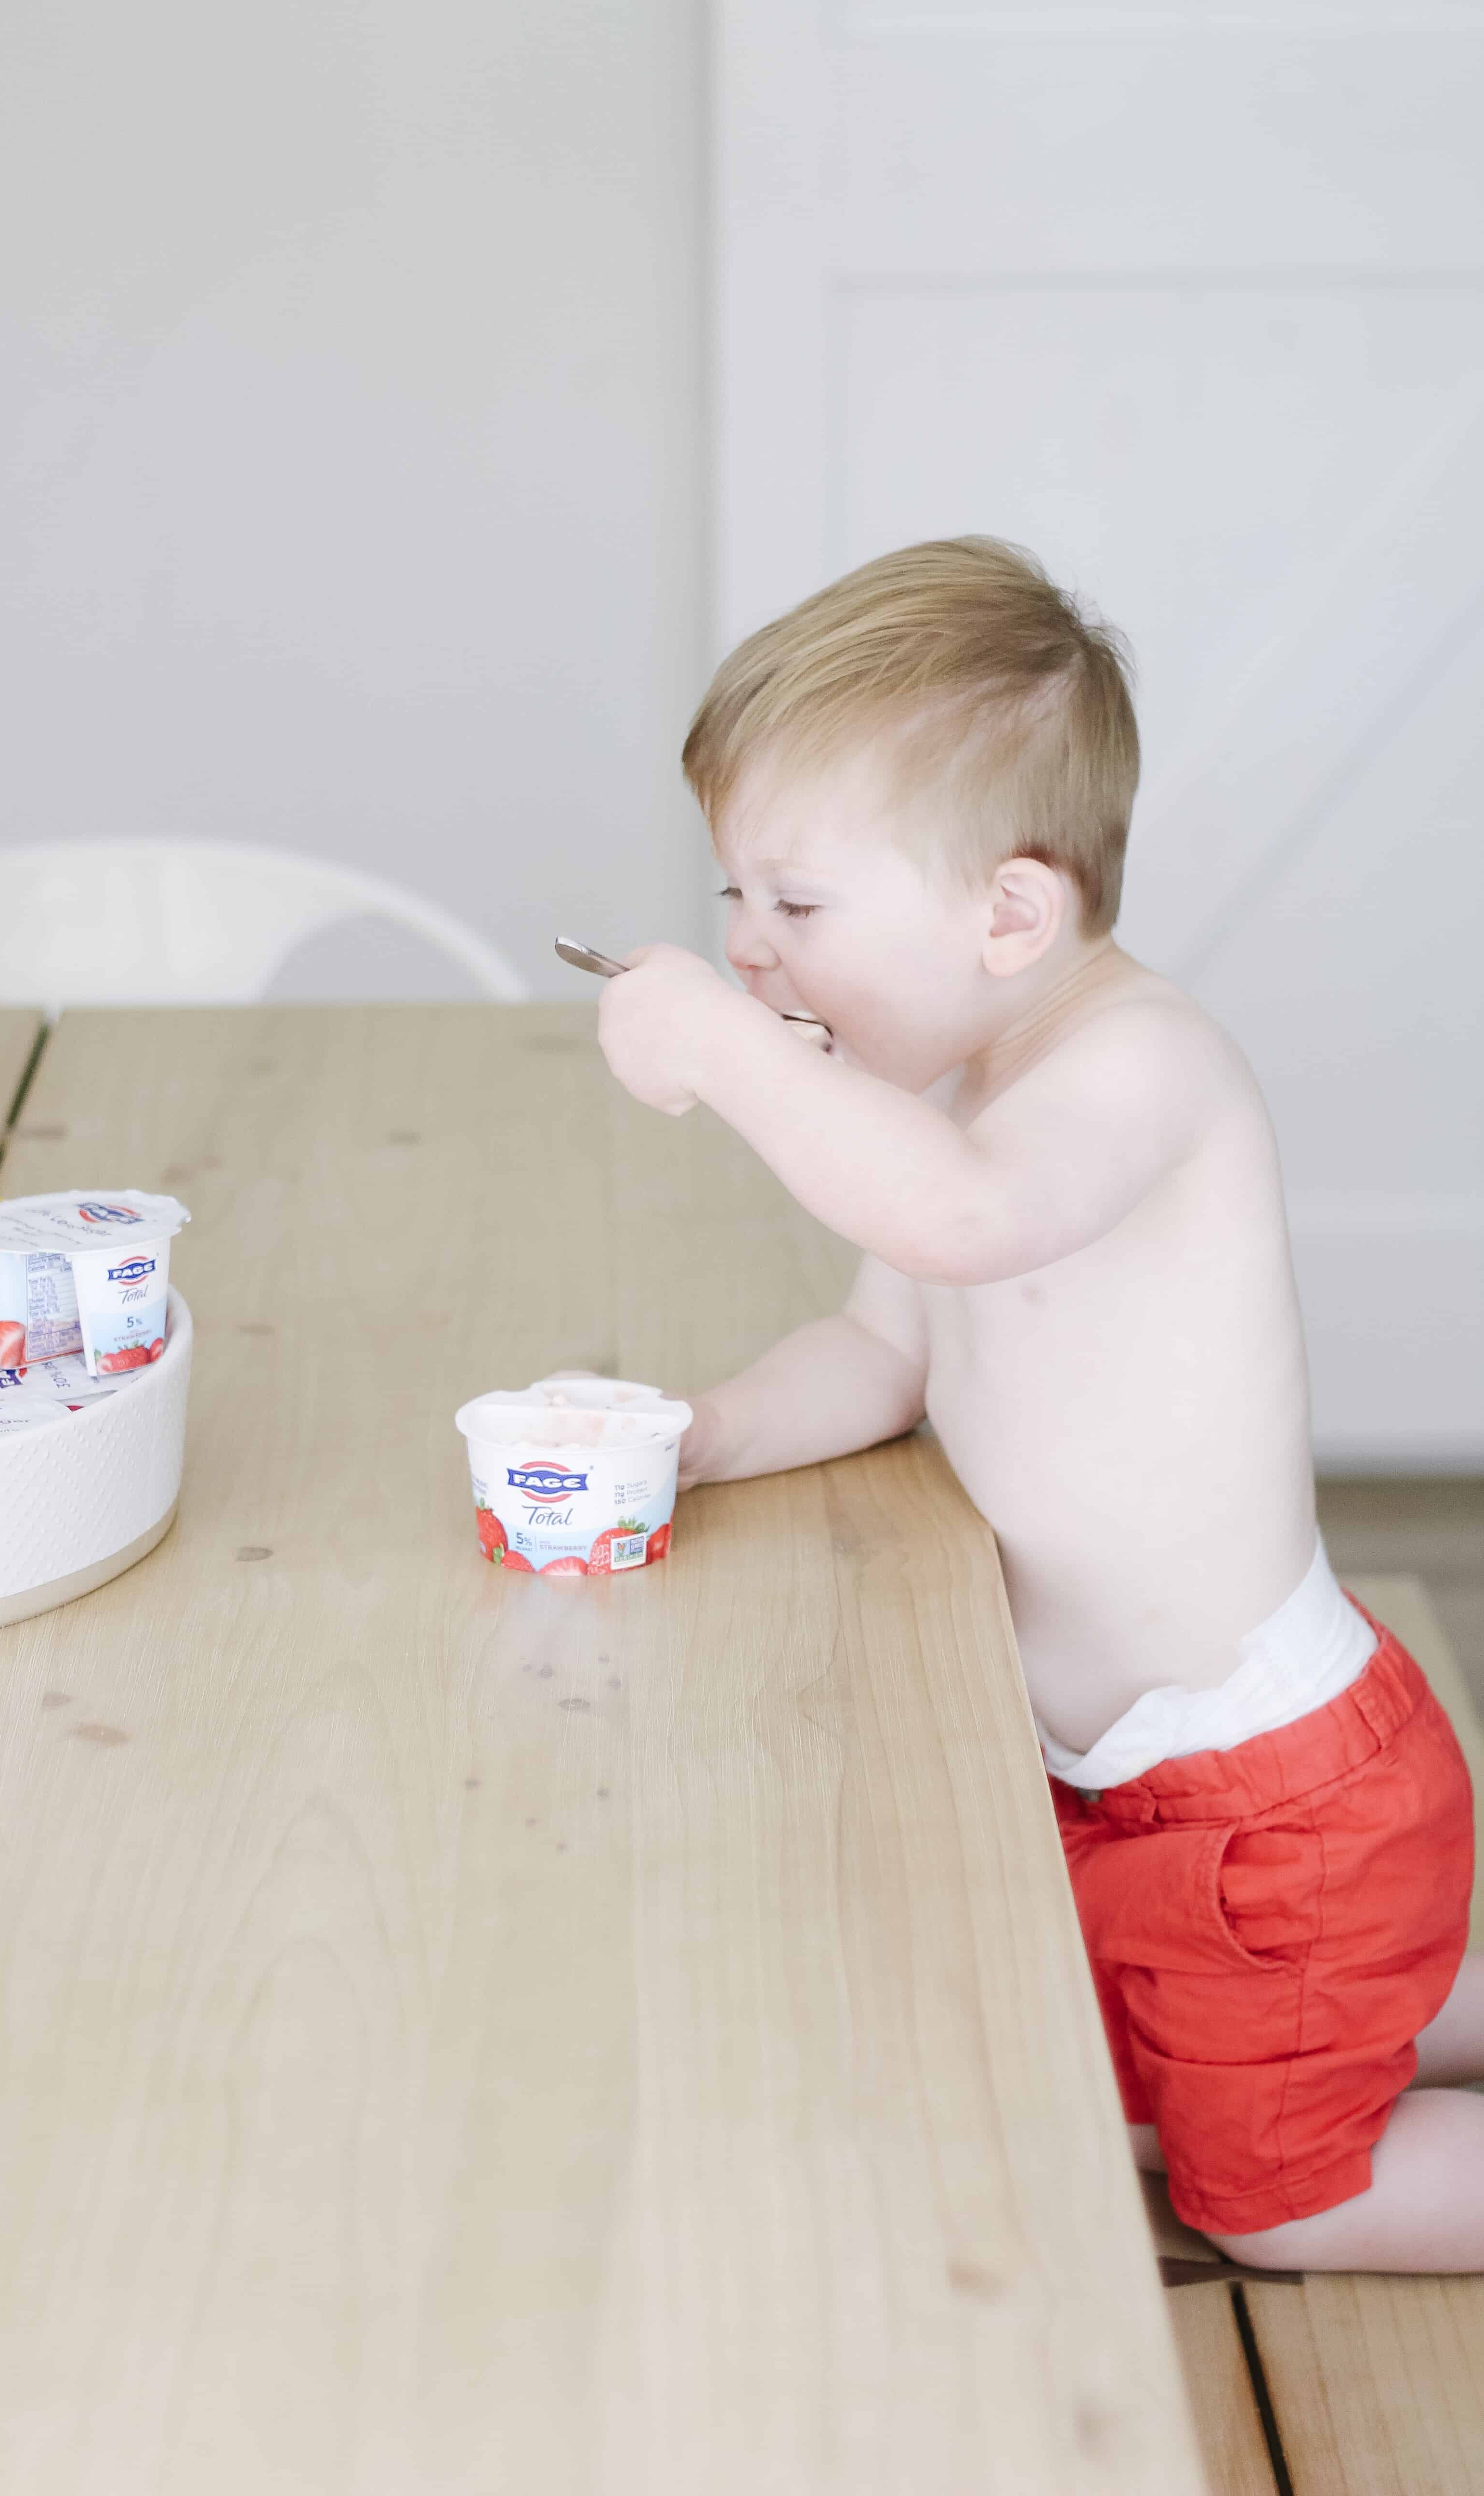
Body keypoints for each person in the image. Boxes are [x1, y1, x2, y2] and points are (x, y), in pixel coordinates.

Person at [594, 536, 1482, 2272]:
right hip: (1123, 1786)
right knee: (1081, 2073)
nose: (756, 956)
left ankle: (1387, 2023)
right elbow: (883, 1350)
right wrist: (688, 1437)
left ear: (1010, 915)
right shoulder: (976, 1092)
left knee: (1281, 2205)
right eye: (733, 906)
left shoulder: (1134, 1070)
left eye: (799, 905)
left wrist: (722, 1050)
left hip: (1269, 1804)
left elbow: (957, 1222)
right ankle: (1412, 1984)